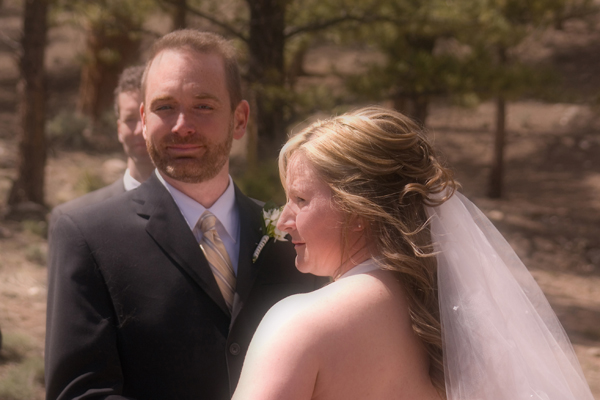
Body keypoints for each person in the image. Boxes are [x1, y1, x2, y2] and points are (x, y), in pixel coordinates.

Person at [232, 106, 595, 400]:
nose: (284, 221)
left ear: (357, 210)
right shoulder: (458, 324)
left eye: (300, 199)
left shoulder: (299, 325)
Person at [45, 30, 325, 400]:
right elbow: (82, 393)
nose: (182, 126)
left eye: (203, 106)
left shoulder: (292, 235)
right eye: (164, 107)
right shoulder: (88, 236)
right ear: (144, 119)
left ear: (240, 119)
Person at [48, 65, 154, 231]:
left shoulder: (194, 210)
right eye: (130, 119)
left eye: (148, 117)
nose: (140, 129)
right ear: (119, 129)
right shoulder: (76, 221)